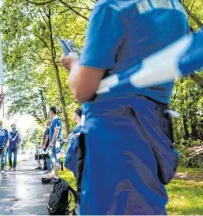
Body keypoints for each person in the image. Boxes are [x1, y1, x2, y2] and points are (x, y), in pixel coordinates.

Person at [60, 0, 188, 214]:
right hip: (153, 130)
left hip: (112, 135)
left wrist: (74, 63)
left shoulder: (112, 5)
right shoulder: (176, 9)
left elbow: (83, 89)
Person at [44, 106, 63, 183]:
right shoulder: (53, 120)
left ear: (51, 112)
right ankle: (55, 175)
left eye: (49, 112)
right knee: (54, 159)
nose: (49, 114)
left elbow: (56, 132)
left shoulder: (57, 120)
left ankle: (56, 177)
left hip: (57, 142)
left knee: (56, 159)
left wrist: (51, 142)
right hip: (54, 142)